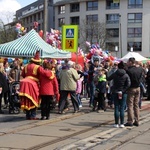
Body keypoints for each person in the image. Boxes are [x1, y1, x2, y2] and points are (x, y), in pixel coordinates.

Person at [19, 51, 55, 120]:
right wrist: (51, 73)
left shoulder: (26, 66)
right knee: (34, 99)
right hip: (32, 83)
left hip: (24, 83)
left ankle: (28, 115)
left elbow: (23, 75)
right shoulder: (38, 67)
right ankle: (33, 115)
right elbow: (44, 73)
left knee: (27, 100)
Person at [107, 61, 131, 128]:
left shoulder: (115, 74)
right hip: (123, 93)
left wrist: (107, 72)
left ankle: (116, 123)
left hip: (115, 92)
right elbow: (128, 84)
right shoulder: (126, 75)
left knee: (116, 107)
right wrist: (123, 90)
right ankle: (122, 123)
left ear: (118, 66)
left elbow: (108, 78)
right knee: (122, 108)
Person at [125, 57, 143, 127]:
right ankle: (137, 120)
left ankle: (130, 121)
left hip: (131, 88)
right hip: (138, 88)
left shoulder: (128, 70)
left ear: (130, 62)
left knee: (130, 105)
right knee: (136, 105)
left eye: (128, 62)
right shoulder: (140, 69)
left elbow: (127, 80)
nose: (127, 63)